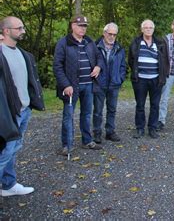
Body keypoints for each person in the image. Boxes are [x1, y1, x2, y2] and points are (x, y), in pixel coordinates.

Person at [0, 16, 44, 196]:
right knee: (6, 151)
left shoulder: (23, 53)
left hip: (24, 110)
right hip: (8, 114)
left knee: (14, 149)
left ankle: (8, 184)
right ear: (6, 31)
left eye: (23, 27)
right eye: (19, 28)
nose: (23, 31)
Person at [53, 15, 104, 155]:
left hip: (88, 85)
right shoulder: (64, 43)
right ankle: (66, 145)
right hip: (71, 87)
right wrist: (65, 85)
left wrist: (98, 67)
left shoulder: (89, 42)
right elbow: (57, 66)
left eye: (85, 26)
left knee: (86, 114)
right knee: (68, 116)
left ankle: (87, 141)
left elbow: (99, 57)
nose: (83, 28)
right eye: (80, 25)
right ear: (72, 26)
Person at [128, 19, 169, 139]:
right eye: (146, 28)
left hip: (156, 79)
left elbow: (165, 60)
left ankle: (152, 128)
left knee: (155, 105)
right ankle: (140, 128)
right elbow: (131, 60)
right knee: (140, 105)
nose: (148, 30)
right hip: (140, 80)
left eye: (150, 28)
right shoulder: (136, 42)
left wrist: (163, 75)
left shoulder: (160, 42)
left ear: (153, 29)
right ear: (142, 29)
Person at [92, 23, 126, 143]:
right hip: (99, 84)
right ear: (104, 33)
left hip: (114, 84)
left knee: (112, 109)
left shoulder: (119, 49)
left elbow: (123, 66)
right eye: (109, 34)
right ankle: (97, 133)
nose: (112, 36)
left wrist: (120, 78)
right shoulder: (95, 46)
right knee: (98, 110)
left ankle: (110, 132)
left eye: (114, 34)